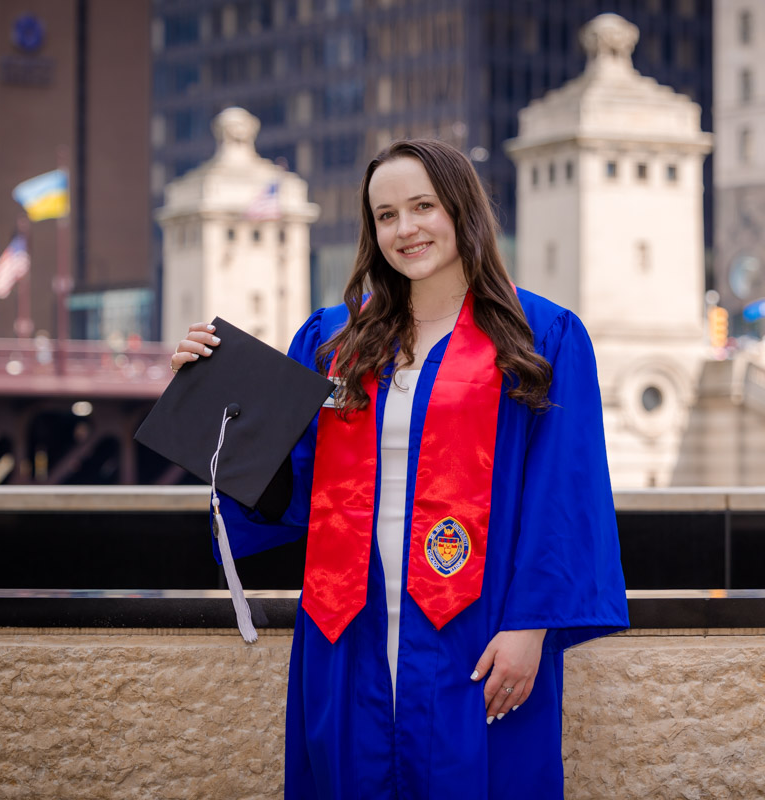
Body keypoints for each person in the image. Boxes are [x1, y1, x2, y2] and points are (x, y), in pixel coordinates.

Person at [171, 139, 628, 799]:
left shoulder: (541, 336)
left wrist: (530, 628)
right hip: (347, 629)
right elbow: (291, 486)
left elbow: (563, 492)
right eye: (385, 215)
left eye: (423, 206)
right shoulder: (334, 339)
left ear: (462, 209)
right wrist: (205, 393)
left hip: (478, 622)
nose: (405, 228)